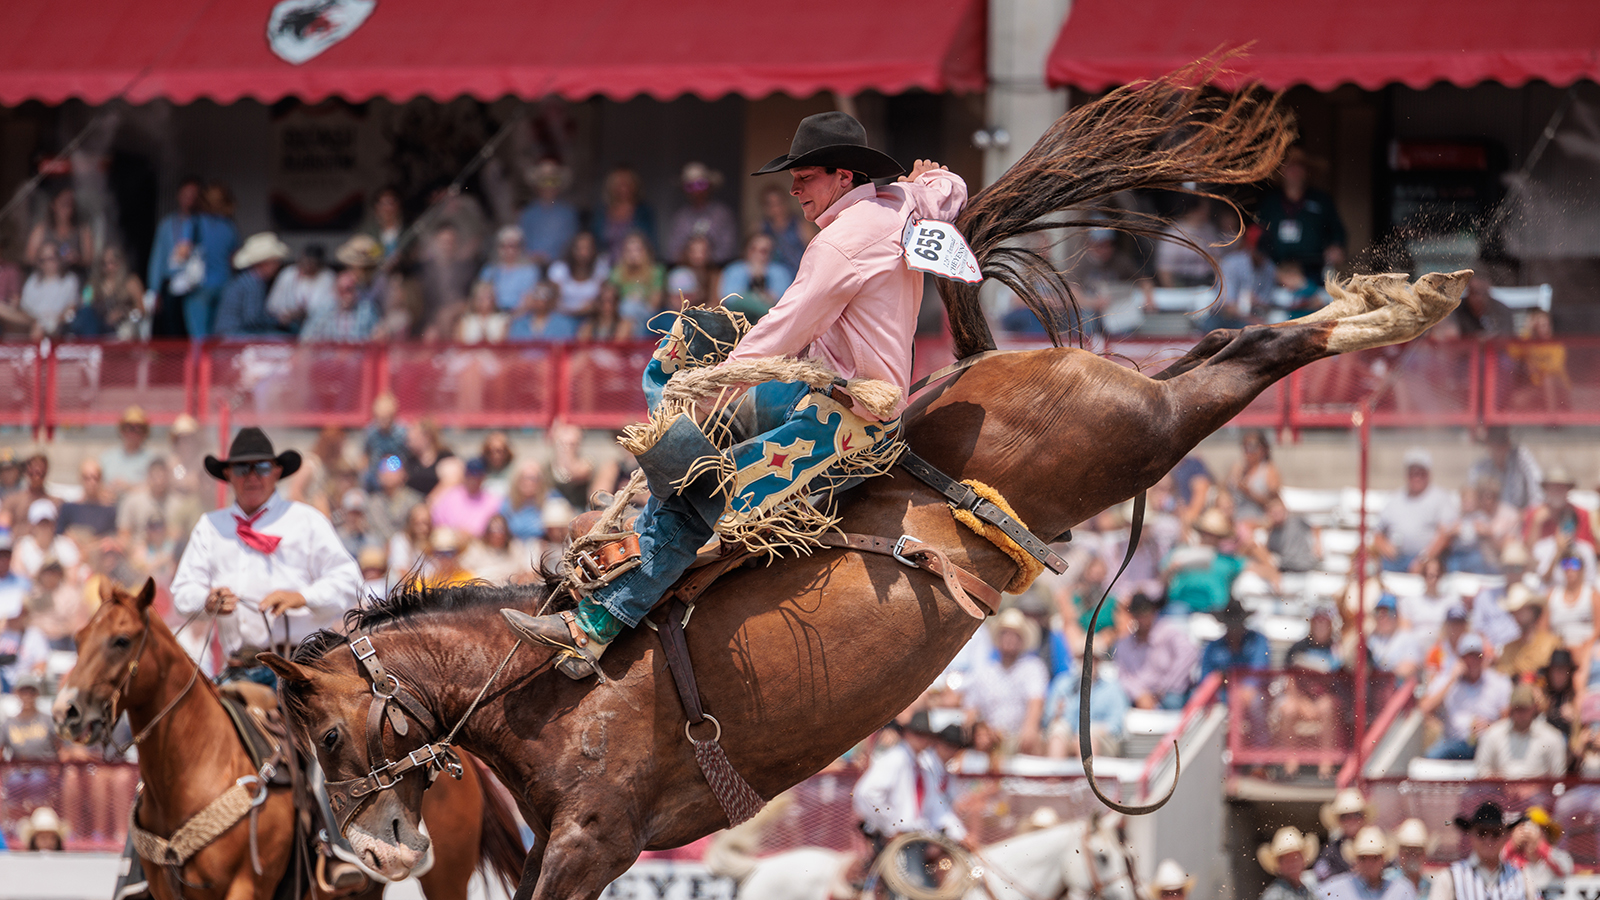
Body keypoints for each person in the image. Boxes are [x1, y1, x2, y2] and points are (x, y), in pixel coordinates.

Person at [504, 112, 965, 678]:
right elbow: (949, 188)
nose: (793, 189)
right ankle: (647, 510)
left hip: (850, 424)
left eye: (805, 177)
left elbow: (782, 332)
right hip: (827, 391)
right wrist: (934, 179)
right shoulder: (903, 202)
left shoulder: (837, 248)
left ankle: (594, 628)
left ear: (844, 176)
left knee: (704, 480)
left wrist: (709, 387)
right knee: (685, 368)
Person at [170, 428, 362, 682]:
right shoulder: (210, 526)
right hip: (238, 669)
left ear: (277, 471)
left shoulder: (306, 520)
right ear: (228, 474)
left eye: (260, 467)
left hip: (301, 668)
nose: (252, 477)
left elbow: (350, 582)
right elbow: (182, 592)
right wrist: (207, 601)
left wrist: (302, 597)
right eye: (241, 469)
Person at [852, 711, 969, 893]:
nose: (922, 740)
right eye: (918, 734)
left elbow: (936, 808)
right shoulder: (895, 759)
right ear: (907, 734)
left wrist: (960, 835)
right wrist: (891, 827)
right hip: (897, 840)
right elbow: (866, 793)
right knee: (916, 887)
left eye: (926, 736)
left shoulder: (922, 766)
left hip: (915, 839)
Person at [147, 177, 239, 340]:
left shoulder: (195, 222)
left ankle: (200, 366)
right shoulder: (230, 227)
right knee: (218, 337)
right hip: (224, 287)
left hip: (199, 288)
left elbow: (181, 253)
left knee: (199, 339)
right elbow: (234, 260)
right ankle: (214, 366)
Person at [1255, 146, 1346, 282]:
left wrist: (1336, 248)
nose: (1294, 171)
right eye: (1289, 166)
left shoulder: (1321, 201)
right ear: (1281, 171)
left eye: (1299, 166)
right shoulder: (1270, 202)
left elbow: (1338, 232)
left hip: (1313, 272)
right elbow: (1257, 235)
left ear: (1306, 171)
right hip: (1275, 273)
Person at [1419, 634, 1511, 760]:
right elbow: (1425, 708)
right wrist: (1452, 679)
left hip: (1489, 742)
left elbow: (1507, 718)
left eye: (1476, 657)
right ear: (1460, 659)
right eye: (1467, 657)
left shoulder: (1498, 682)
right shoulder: (1447, 679)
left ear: (1483, 658)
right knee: (1433, 756)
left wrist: (1491, 727)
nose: (1472, 662)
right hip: (1456, 742)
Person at [1373, 448, 1459, 574]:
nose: (1417, 477)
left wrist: (1423, 559)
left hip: (1429, 561)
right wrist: (1386, 547)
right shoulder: (1395, 499)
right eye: (1413, 473)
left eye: (1421, 473)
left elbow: (1445, 535)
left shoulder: (1440, 498)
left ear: (1428, 474)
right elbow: (1377, 534)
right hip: (1396, 560)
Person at [1427, 803, 1534, 900]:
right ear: (1471, 835)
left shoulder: (1522, 877)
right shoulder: (1450, 877)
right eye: (1482, 833)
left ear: (1505, 836)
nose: (1488, 840)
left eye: (1495, 834)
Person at [1114, 592, 1199, 709]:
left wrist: (1164, 689)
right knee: (1116, 699)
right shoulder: (1124, 643)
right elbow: (1123, 676)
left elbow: (1189, 654)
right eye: (1138, 614)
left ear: (1153, 611)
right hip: (1139, 696)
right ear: (1133, 615)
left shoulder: (1168, 631)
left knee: (1172, 701)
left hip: (1168, 693)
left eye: (1145, 612)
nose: (1142, 618)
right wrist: (1139, 694)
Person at [1043, 651, 1129, 757]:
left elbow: (1116, 724)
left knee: (1087, 738)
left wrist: (1093, 730)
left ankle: (1087, 772)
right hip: (1070, 736)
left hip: (1101, 740)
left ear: (1099, 662)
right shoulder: (1063, 684)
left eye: (1093, 659)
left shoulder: (1113, 689)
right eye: (1084, 659)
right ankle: (1054, 771)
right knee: (1058, 735)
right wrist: (1057, 715)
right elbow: (1047, 720)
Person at [1474, 683, 1567, 778]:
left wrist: (1536, 786)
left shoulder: (1552, 737)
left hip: (1540, 791)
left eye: (1525, 709)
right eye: (1517, 709)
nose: (1521, 714)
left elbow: (1558, 777)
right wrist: (1503, 784)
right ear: (1511, 709)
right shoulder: (1493, 734)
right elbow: (1482, 771)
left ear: (1534, 708)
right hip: (1500, 790)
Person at [213, 232, 292, 338]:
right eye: (275, 262)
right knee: (285, 340)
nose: (277, 266)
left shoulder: (247, 279)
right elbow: (252, 319)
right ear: (264, 263)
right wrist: (278, 321)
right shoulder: (253, 283)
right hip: (234, 336)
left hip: (231, 333)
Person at [665, 162, 738, 265]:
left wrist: (704, 257)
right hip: (686, 270)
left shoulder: (722, 214)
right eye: (690, 186)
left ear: (710, 186)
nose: (696, 191)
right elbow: (672, 252)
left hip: (717, 269)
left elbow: (728, 250)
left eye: (701, 185)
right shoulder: (680, 217)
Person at [1198, 599, 1271, 698]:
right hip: (1221, 696)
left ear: (1243, 623)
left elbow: (1259, 672)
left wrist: (1245, 690)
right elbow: (1205, 678)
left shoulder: (1257, 641)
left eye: (1237, 623)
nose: (1234, 628)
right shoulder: (1213, 647)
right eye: (1230, 623)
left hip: (1252, 697)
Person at [720, 233, 794, 324]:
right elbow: (731, 299)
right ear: (746, 250)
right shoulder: (734, 270)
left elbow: (781, 300)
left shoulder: (780, 272)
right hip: (738, 320)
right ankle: (773, 317)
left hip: (768, 324)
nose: (757, 254)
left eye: (763, 251)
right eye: (753, 249)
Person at [1322, 827, 1414, 900]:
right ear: (1356, 860)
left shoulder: (1401, 890)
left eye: (1375, 858)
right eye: (1363, 858)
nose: (1369, 863)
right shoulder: (1334, 888)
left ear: (1383, 860)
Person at [518, 159, 580, 266]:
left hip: (561, 265)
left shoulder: (568, 213)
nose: (548, 186)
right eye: (544, 181)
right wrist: (533, 256)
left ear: (559, 185)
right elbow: (522, 240)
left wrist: (550, 256)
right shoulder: (528, 213)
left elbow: (572, 244)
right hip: (531, 264)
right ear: (537, 186)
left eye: (553, 181)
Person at [1468, 427, 1542, 512]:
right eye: (1492, 443)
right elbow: (1471, 492)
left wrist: (1529, 512)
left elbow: (1537, 487)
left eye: (1501, 442)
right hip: (1490, 517)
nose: (1497, 448)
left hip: (1518, 515)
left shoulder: (1521, 456)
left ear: (1508, 444)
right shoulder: (1480, 467)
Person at [265, 243, 336, 331]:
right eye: (304, 262)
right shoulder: (288, 274)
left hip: (317, 327)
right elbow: (272, 305)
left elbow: (327, 308)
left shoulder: (328, 277)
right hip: (284, 326)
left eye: (311, 263)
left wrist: (301, 314)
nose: (307, 266)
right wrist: (284, 315)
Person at [1493, 585, 1559, 678]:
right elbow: (1501, 677)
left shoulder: (1551, 643)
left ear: (1533, 610)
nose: (1516, 614)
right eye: (1514, 611)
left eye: (1521, 609)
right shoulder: (1508, 648)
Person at [298, 268, 378, 343]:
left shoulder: (367, 310)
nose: (347, 295)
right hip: (328, 355)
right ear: (335, 292)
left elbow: (377, 339)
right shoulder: (323, 311)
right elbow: (306, 338)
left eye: (350, 290)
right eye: (342, 290)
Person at [431, 457, 504, 538]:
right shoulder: (450, 495)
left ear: (483, 478)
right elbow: (437, 522)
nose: (473, 480)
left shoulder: (493, 501)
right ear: (464, 475)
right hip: (452, 542)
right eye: (470, 475)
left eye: (478, 476)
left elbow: (495, 528)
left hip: (479, 544)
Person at [1502, 808, 1572, 892]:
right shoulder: (1512, 858)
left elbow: (1564, 869)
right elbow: (1493, 864)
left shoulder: (1558, 855)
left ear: (1548, 834)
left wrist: (1539, 846)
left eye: (1540, 830)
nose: (1530, 834)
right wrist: (1513, 844)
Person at [1522, 465, 1592, 550]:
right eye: (1553, 487)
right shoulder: (1533, 513)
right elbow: (1527, 552)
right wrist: (1537, 523)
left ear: (1568, 489)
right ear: (1545, 489)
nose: (1557, 490)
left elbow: (1588, 549)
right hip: (1542, 562)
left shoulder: (1581, 514)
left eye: (1561, 487)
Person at [19, 242, 80, 338]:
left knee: (41, 329)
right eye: (43, 260)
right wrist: (37, 322)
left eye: (51, 259)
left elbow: (71, 308)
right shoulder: (33, 280)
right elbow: (24, 308)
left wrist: (53, 322)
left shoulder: (70, 280)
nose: (47, 263)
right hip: (32, 321)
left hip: (59, 324)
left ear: (59, 259)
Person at [27, 185, 92, 270]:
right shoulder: (41, 229)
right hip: (48, 279)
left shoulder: (82, 230)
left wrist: (77, 259)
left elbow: (89, 260)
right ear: (53, 205)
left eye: (70, 204)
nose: (67, 208)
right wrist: (48, 261)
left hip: (75, 277)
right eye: (63, 204)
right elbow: (29, 259)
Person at [1316, 789, 1374, 881]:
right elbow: (1325, 882)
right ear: (1339, 821)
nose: (1351, 820)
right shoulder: (1331, 851)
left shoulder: (1377, 844)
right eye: (1345, 816)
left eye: (1356, 814)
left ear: (1364, 817)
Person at [480, 225, 542, 312]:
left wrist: (512, 318)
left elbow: (528, 300)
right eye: (503, 246)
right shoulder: (490, 269)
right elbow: (482, 295)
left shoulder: (529, 270)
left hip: (519, 315)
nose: (508, 250)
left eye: (512, 246)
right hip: (493, 314)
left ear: (520, 247)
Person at [757, 183, 816, 273]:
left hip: (799, 273)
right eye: (771, 204)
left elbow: (814, 251)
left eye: (779, 203)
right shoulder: (761, 228)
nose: (776, 208)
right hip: (773, 277)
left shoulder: (800, 225)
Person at [100, 406, 157, 497]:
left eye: (138, 428)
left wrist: (129, 488)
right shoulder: (107, 458)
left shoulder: (152, 460)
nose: (133, 432)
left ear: (145, 432)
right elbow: (97, 486)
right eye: (129, 428)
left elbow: (156, 489)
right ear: (122, 430)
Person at [57, 459, 117, 537]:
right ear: (80, 479)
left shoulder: (109, 511)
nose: (92, 482)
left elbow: (110, 538)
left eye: (95, 478)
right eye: (87, 478)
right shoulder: (68, 509)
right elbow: (60, 534)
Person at [1258, 826, 1318, 900]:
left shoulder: (1308, 890)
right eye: (1287, 860)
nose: (1293, 864)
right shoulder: (1274, 895)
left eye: (1295, 858)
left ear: (1303, 859)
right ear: (1279, 865)